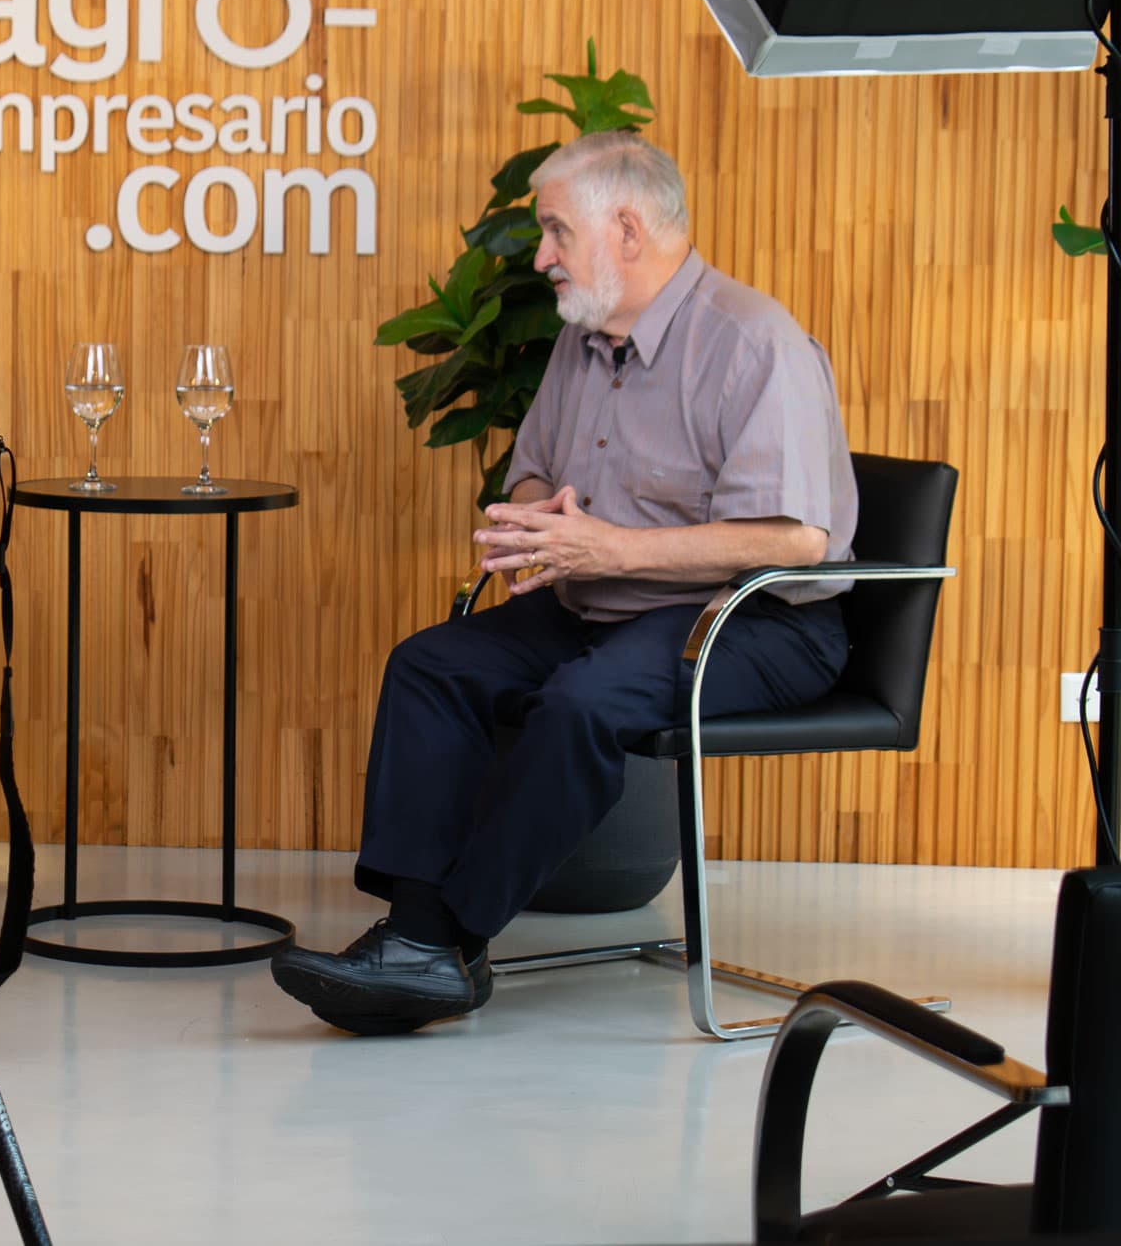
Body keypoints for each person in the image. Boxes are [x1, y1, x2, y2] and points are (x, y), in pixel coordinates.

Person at [271, 131, 857, 1035]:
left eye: (554, 231)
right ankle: (423, 944)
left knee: (584, 702)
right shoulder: (585, 342)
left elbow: (791, 536)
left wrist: (608, 549)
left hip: (750, 618)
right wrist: (541, 523)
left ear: (625, 228)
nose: (540, 256)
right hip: (606, 601)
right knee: (432, 664)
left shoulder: (752, 342)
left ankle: (442, 938)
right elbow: (533, 471)